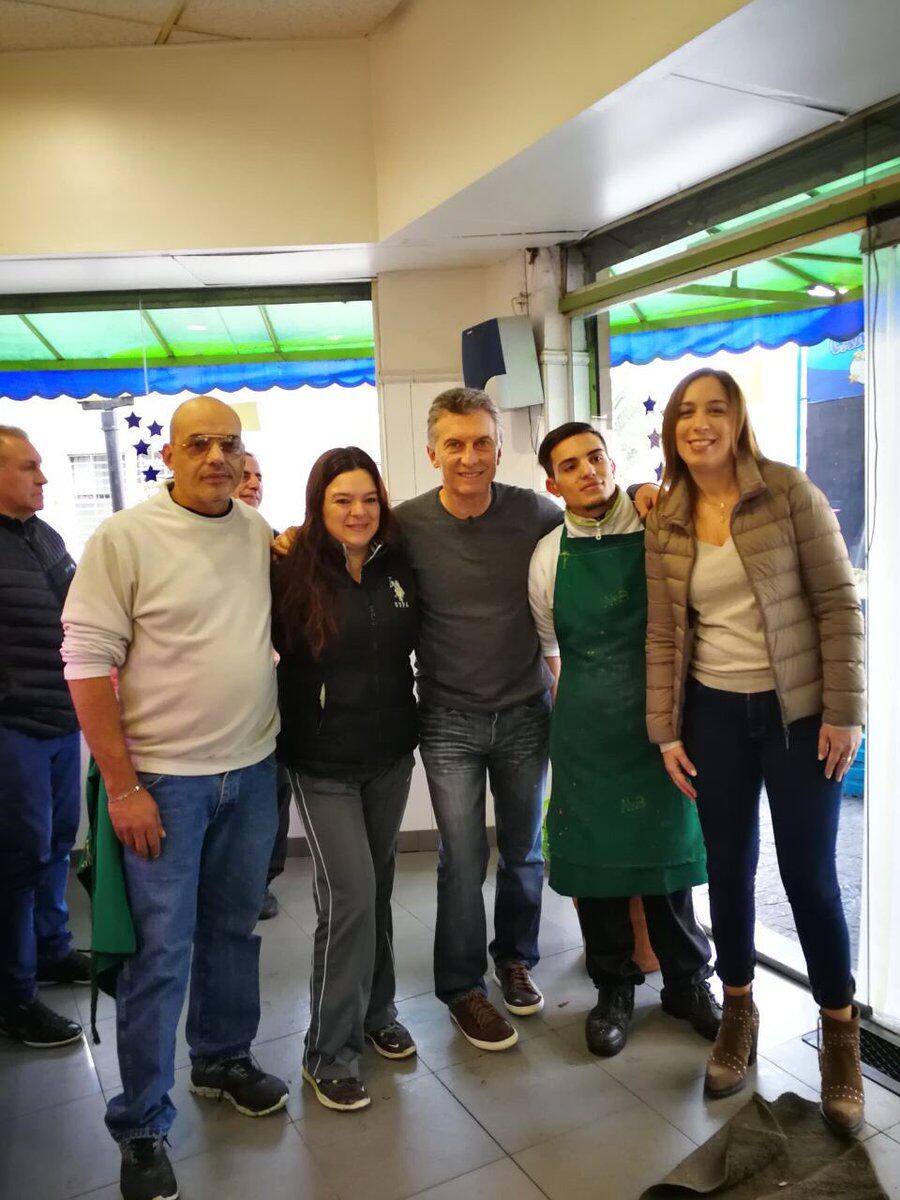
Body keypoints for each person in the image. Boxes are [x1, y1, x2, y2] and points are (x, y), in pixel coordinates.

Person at [62, 397, 288, 1200]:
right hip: (162, 783)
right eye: (198, 444)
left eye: (229, 444)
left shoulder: (255, 531)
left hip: (252, 771)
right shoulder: (124, 538)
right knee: (159, 955)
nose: (216, 457)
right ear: (169, 454)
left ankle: (221, 1059)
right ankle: (142, 1125)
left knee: (233, 931)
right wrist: (123, 787)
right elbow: (85, 663)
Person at [398, 388, 660, 1051]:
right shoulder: (406, 525)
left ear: (498, 449)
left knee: (524, 852)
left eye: (481, 443)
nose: (469, 457)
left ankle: (514, 959)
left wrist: (645, 491)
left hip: (525, 712)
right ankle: (462, 987)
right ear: (432, 453)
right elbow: (341, 547)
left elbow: (598, 508)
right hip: (448, 719)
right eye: (454, 444)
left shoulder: (535, 513)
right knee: (462, 860)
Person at [645, 368, 866, 1134]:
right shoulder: (667, 518)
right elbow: (664, 632)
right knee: (728, 869)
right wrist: (667, 729)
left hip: (797, 716)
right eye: (686, 412)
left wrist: (845, 712)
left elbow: (838, 602)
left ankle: (841, 1035)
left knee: (809, 878)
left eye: (716, 408)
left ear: (738, 418)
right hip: (712, 714)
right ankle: (738, 1012)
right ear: (672, 429)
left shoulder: (788, 493)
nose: (699, 422)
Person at [528, 422, 719, 1058]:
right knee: (597, 865)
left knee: (668, 856)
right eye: (570, 466)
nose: (588, 471)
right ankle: (612, 989)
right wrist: (585, 713)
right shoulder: (547, 557)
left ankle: (688, 984)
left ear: (613, 463)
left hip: (664, 725)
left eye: (596, 458)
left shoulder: (656, 525)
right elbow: (550, 649)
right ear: (552, 484)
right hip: (586, 732)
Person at [272, 446, 418, 1112]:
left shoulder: (399, 561)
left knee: (378, 888)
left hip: (389, 754)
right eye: (342, 500)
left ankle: (377, 1013)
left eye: (368, 499)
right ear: (318, 505)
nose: (358, 512)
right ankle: (327, 1051)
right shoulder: (287, 567)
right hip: (321, 760)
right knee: (350, 898)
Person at [0, 426, 88, 1050]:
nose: (43, 477)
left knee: (58, 844)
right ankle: (14, 996)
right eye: (29, 467)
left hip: (61, 718)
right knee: (18, 859)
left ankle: (53, 950)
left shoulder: (45, 536)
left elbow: (81, 610)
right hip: (13, 727)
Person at [233, 451, 293, 921]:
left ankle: (259, 883)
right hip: (207, 714)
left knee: (274, 790)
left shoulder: (272, 543)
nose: (254, 483)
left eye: (259, 476)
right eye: (245, 475)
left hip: (269, 697)